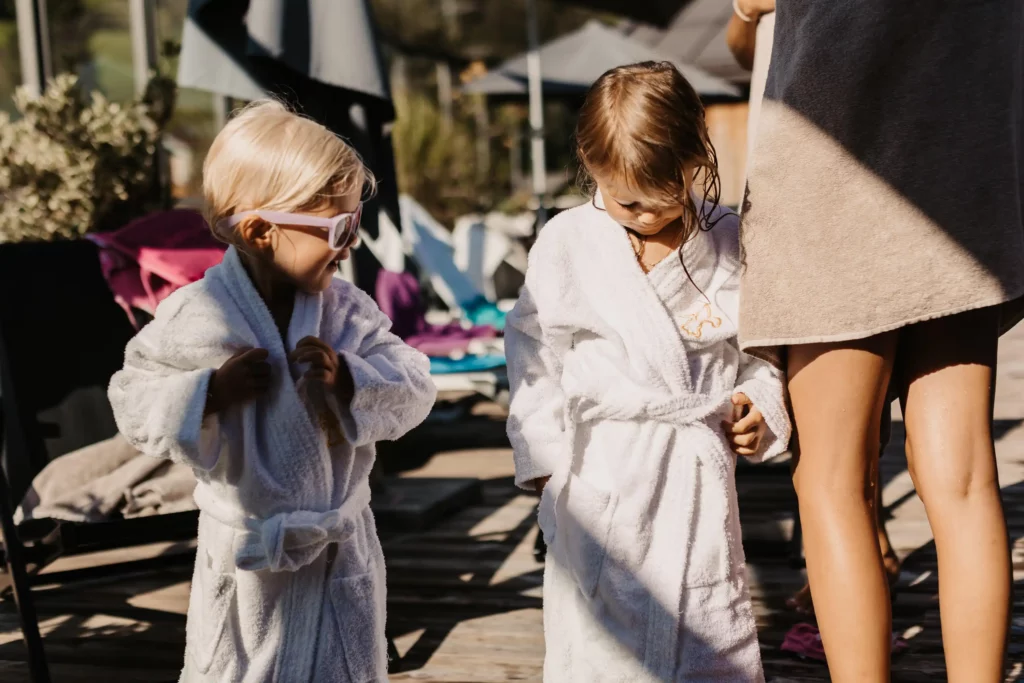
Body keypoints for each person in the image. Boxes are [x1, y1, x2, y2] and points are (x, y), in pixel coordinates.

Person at [739, 2, 1022, 681]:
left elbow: (746, 34)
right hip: (960, 184)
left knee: (832, 479)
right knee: (963, 479)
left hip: (836, 182)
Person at [108, 101, 437, 682]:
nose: (352, 244)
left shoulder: (347, 314)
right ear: (260, 231)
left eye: (356, 224)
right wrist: (206, 393)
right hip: (247, 564)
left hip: (338, 553)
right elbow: (131, 398)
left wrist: (353, 381)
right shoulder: (198, 318)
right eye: (339, 229)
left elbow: (416, 386)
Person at [506, 61, 791, 682]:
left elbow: (763, 353)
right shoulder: (568, 242)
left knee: (709, 624)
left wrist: (759, 406)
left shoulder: (729, 240)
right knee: (599, 637)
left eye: (664, 198)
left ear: (696, 159)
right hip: (602, 472)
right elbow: (532, 352)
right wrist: (544, 460)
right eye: (627, 200)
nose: (644, 216)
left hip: (695, 480)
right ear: (589, 161)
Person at [726, 0, 901, 617]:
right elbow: (740, 47)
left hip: (837, 184)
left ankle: (848, 584)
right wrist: (748, 11)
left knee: (832, 468)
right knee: (831, 448)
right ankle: (847, 572)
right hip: (788, 170)